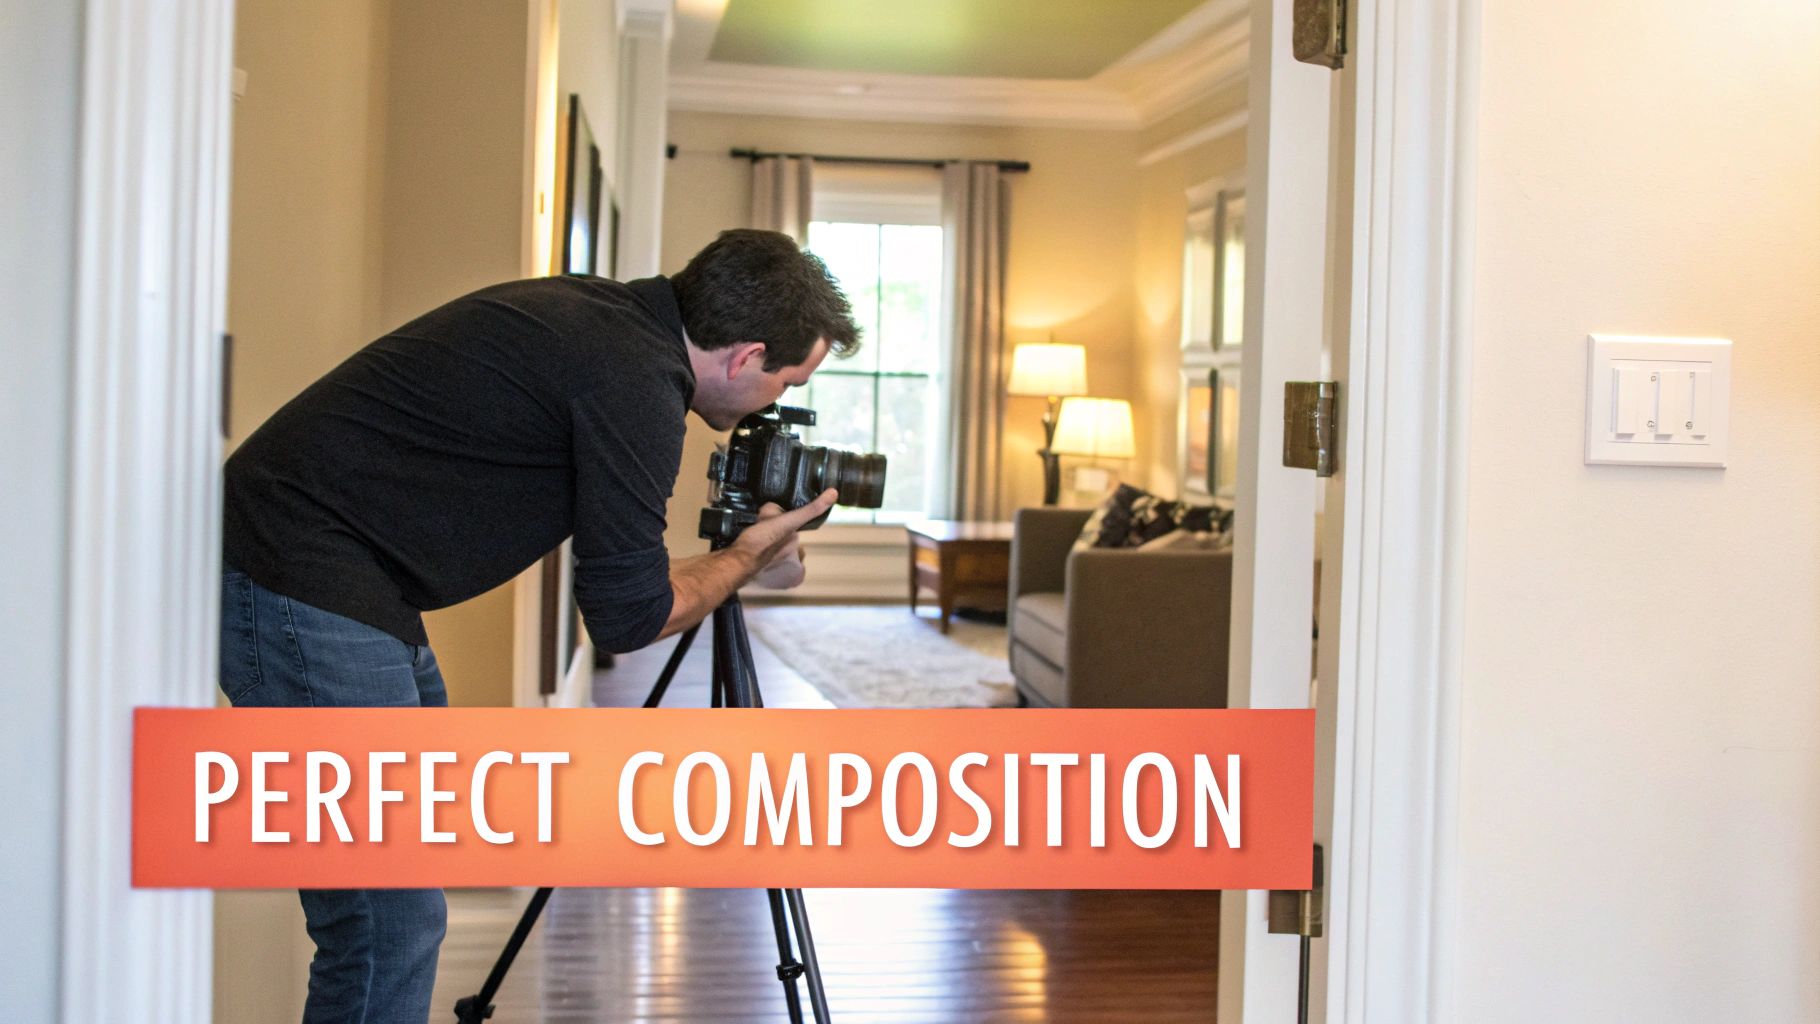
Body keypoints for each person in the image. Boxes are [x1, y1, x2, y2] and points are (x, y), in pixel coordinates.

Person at [217, 228, 859, 1023]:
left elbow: (635, 587)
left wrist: (745, 559)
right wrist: (745, 560)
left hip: (352, 582)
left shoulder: (606, 318)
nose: (776, 405)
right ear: (745, 356)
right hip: (301, 577)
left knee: (398, 899)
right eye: (786, 382)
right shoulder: (635, 379)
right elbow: (629, 614)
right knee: (388, 915)